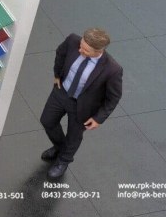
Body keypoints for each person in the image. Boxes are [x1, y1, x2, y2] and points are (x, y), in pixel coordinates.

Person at [40, 28, 123, 179]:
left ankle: (63, 161)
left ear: (99, 51)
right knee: (47, 121)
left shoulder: (113, 69)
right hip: (62, 91)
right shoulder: (73, 40)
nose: (80, 50)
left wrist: (98, 118)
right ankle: (60, 147)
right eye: (81, 45)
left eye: (85, 50)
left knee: (74, 135)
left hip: (83, 106)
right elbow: (60, 53)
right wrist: (57, 74)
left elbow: (114, 97)